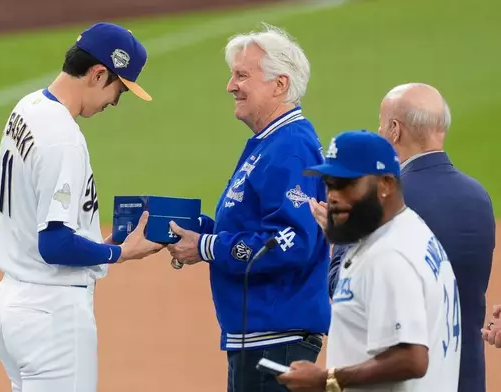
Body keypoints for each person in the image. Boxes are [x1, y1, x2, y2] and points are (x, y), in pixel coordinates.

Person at [0, 22, 163, 392]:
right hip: (51, 317)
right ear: (99, 74)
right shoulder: (63, 138)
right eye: (119, 88)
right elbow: (54, 245)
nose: (116, 101)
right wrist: (120, 251)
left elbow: (43, 216)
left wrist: (99, 240)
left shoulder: (28, 107)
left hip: (13, 305)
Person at [166, 23, 331, 392]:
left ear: (280, 84)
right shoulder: (268, 143)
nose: (230, 86)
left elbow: (289, 241)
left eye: (242, 75)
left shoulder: (290, 147)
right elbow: (255, 226)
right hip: (259, 332)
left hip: (277, 334)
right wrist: (198, 232)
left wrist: (206, 247)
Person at [311, 83, 495, 392]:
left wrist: (341, 234)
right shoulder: (479, 196)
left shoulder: (391, 202)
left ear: (395, 130)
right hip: (467, 374)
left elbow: (345, 288)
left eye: (381, 124)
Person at [277, 130, 461, 392]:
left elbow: (410, 359)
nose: (332, 195)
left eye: (346, 184)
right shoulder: (412, 230)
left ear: (385, 184)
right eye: (329, 183)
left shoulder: (389, 256)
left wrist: (326, 380)